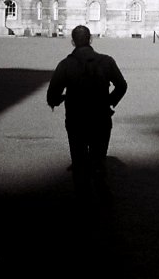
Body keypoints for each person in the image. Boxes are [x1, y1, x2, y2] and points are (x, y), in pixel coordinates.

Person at [47, 25, 128, 194]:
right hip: (101, 117)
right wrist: (110, 101)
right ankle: (101, 192)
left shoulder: (65, 64)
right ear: (91, 39)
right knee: (99, 158)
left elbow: (52, 95)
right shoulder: (106, 61)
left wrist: (61, 99)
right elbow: (122, 85)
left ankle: (82, 197)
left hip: (76, 119)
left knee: (79, 159)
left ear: (72, 42)